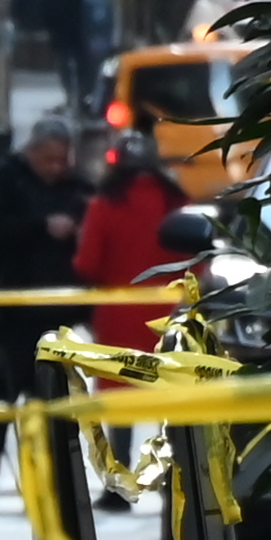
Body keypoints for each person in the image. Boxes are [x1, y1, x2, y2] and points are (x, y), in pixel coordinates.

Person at [0, 116, 83, 506]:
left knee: (55, 408)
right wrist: (41, 227)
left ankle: (57, 488)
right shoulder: (5, 183)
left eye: (62, 160)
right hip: (9, 316)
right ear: (31, 153)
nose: (56, 169)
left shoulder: (75, 188)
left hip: (54, 316)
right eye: (48, 160)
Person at [72, 136, 185, 512]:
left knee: (120, 403)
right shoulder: (175, 202)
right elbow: (198, 258)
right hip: (168, 313)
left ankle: (120, 489)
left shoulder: (105, 205)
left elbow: (87, 264)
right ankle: (173, 481)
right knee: (171, 401)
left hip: (118, 314)